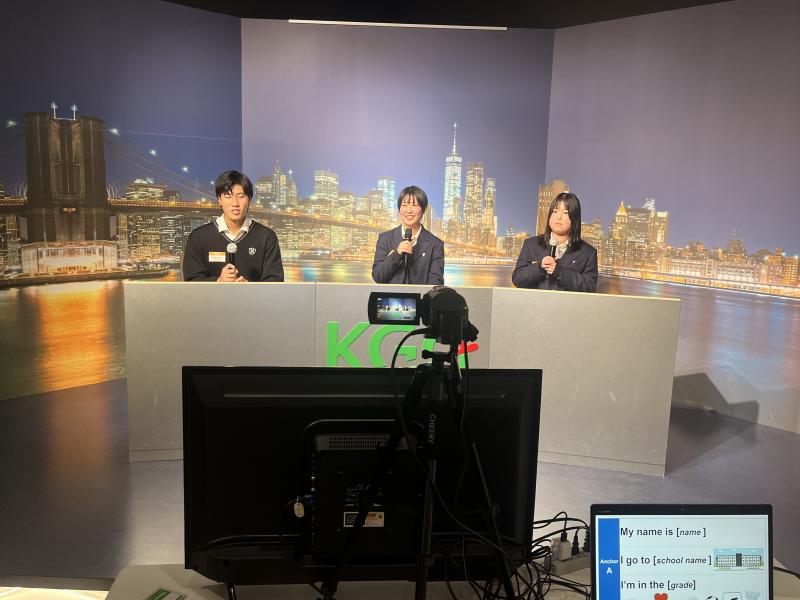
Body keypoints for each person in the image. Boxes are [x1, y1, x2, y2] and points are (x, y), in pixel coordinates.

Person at [182, 170, 284, 282]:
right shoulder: (198, 237)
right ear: (219, 199)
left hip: (251, 295)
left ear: (249, 199)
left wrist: (250, 288)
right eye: (228, 196)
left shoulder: (266, 237)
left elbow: (275, 283)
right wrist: (218, 282)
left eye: (241, 196)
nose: (235, 203)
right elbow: (191, 281)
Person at [512, 191, 597, 292]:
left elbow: (590, 288)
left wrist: (560, 272)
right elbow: (518, 279)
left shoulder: (587, 253)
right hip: (536, 302)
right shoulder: (531, 244)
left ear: (574, 218)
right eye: (555, 211)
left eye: (565, 213)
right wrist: (539, 267)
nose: (559, 217)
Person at [371, 186, 444, 285]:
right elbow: (378, 276)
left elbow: (436, 283)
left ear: (423, 209)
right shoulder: (385, 238)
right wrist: (397, 254)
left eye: (414, 205)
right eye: (404, 205)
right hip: (390, 295)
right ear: (399, 209)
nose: (409, 210)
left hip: (421, 295)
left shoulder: (435, 244)